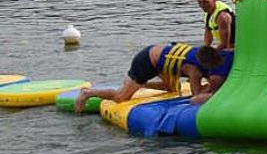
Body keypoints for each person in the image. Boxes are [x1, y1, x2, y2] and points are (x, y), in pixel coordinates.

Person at [74, 43, 226, 112]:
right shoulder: (195, 70)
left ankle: (142, 85)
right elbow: (196, 95)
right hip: (146, 61)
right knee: (121, 97)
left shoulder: (208, 57)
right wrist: (210, 89)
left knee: (172, 89)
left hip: (161, 60)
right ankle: (87, 93)